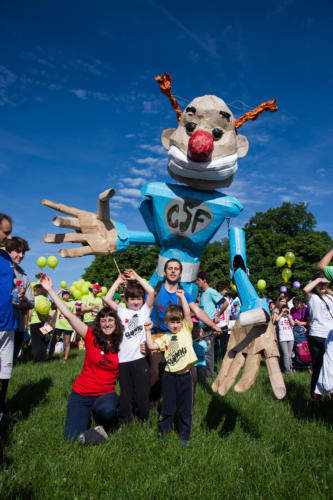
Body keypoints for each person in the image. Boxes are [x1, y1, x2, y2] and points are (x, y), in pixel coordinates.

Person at [40, 274, 123, 443]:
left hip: (105, 395)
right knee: (71, 439)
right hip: (81, 394)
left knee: (107, 410)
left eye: (110, 320)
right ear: (99, 323)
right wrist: (50, 290)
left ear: (116, 323)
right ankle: (98, 430)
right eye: (104, 321)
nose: (107, 324)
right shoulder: (90, 335)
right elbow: (69, 315)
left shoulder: (122, 343)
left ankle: (108, 421)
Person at [149, 259, 220, 407]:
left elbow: (198, 311)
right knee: (155, 374)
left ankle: (186, 411)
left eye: (176, 269)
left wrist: (212, 325)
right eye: (170, 268)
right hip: (158, 337)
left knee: (192, 375)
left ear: (180, 274)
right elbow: (141, 312)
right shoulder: (153, 290)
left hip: (179, 338)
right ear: (165, 272)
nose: (173, 271)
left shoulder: (184, 294)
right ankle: (151, 410)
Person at [145, 289, 197, 446]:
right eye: (172, 322)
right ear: (167, 323)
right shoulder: (166, 338)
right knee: (167, 408)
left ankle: (184, 437)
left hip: (185, 377)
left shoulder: (186, 331)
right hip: (169, 377)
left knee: (185, 409)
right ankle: (163, 434)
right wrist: (148, 331)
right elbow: (152, 345)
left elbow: (188, 314)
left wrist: (182, 297)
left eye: (178, 321)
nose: (175, 325)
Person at [104, 269, 154, 424]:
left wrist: (137, 277)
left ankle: (143, 419)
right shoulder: (121, 311)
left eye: (139, 298)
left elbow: (151, 291)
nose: (136, 301)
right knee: (125, 392)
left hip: (140, 359)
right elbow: (107, 298)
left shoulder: (145, 311)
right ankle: (124, 420)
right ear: (125, 299)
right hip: (123, 360)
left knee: (142, 392)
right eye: (132, 298)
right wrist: (118, 282)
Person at [304, 272, 333, 399]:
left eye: (324, 284)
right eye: (320, 284)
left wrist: (326, 284)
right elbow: (305, 289)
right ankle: (316, 397)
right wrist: (320, 279)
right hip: (317, 336)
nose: (322, 286)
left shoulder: (330, 297)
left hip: (331, 337)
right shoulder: (311, 297)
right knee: (318, 367)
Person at [5, 237, 34, 360]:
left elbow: (31, 302)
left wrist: (23, 300)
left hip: (18, 327)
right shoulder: (3, 271)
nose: (21, 255)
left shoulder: (24, 276)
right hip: (3, 325)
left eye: (23, 253)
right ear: (8, 251)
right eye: (17, 251)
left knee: (11, 363)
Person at [0, 214, 17, 421]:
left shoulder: (5, 257)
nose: (10, 236)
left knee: (5, 374)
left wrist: (18, 295)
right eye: (6, 232)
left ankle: (2, 411)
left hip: (8, 322)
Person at [196, 271, 223, 378]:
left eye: (198, 280)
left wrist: (217, 315)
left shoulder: (211, 291)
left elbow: (224, 303)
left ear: (204, 280)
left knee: (208, 351)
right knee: (202, 350)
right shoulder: (202, 294)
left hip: (209, 326)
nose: (197, 283)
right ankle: (202, 375)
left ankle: (209, 377)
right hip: (201, 326)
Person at [49, 289, 77, 363]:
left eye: (67, 294)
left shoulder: (72, 304)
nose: (66, 295)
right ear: (62, 295)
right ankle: (50, 357)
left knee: (67, 343)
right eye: (64, 293)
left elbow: (74, 315)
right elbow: (53, 298)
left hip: (68, 326)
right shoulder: (59, 302)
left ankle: (65, 359)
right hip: (59, 325)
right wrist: (61, 290)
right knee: (53, 342)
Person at [29, 284, 53, 363]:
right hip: (45, 324)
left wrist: (28, 321)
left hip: (35, 322)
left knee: (36, 342)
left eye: (34, 290)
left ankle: (37, 361)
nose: (33, 291)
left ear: (38, 290)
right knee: (42, 342)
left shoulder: (34, 299)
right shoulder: (47, 299)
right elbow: (50, 314)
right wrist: (47, 322)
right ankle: (43, 360)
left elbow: (36, 310)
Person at [273, 305, 295, 374]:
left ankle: (289, 369)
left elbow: (293, 324)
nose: (285, 313)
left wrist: (289, 315)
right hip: (283, 338)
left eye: (286, 311)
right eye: (284, 311)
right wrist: (282, 313)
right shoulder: (280, 317)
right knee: (285, 355)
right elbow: (276, 320)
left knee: (289, 354)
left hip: (290, 338)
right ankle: (287, 371)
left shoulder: (289, 317)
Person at [214, 280, 230, 362]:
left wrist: (227, 324)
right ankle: (214, 362)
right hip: (215, 326)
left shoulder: (226, 299)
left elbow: (227, 313)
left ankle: (224, 361)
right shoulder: (214, 298)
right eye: (225, 289)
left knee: (224, 345)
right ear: (221, 290)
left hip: (223, 325)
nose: (226, 291)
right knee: (215, 345)